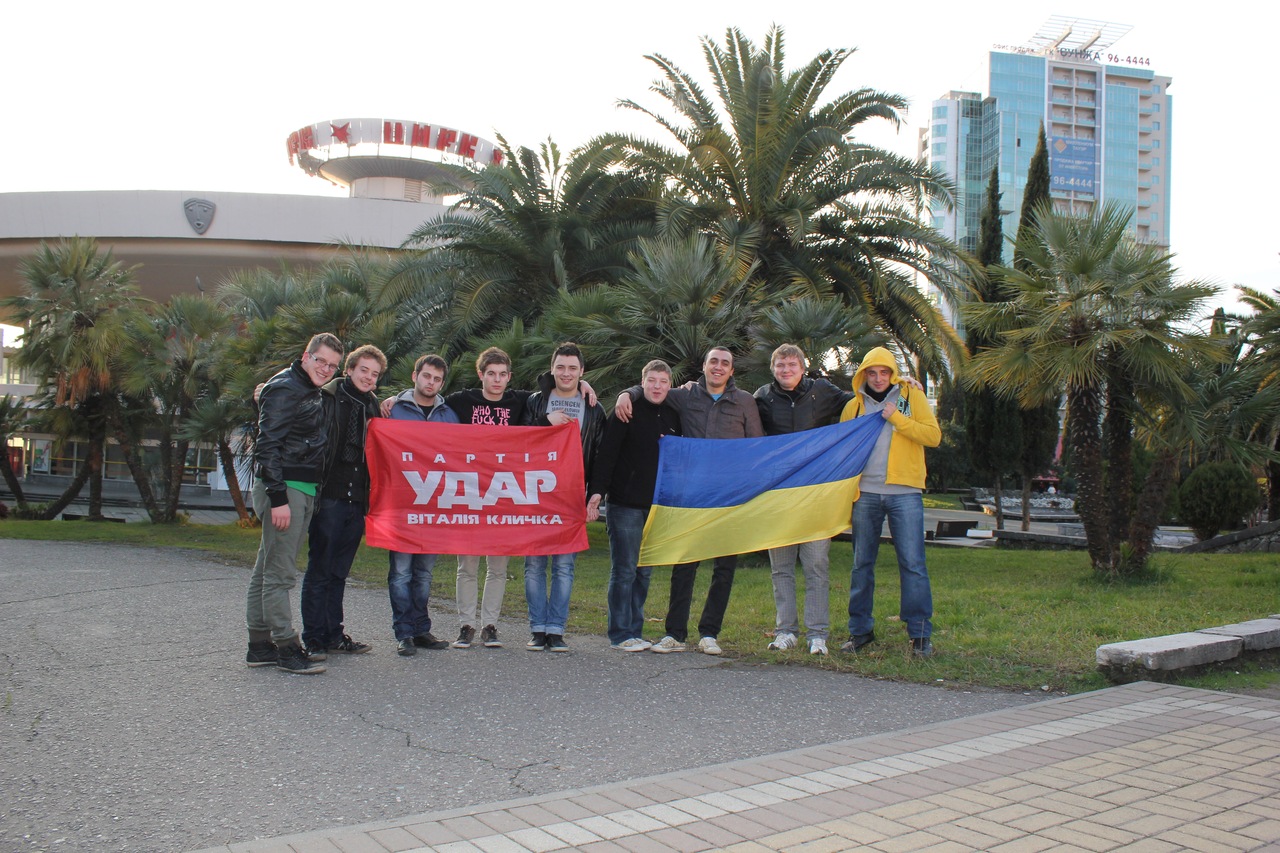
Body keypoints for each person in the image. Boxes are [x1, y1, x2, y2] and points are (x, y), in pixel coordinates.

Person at [615, 346, 764, 655]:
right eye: (714, 362)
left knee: (724, 567)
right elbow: (651, 389)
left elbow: (757, 448)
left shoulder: (745, 402)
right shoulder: (685, 396)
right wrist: (625, 394)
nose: (719, 367)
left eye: (725, 363)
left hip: (730, 498)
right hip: (693, 495)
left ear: (731, 371)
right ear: (705, 366)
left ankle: (710, 632)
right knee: (685, 563)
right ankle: (675, 633)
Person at [245, 333, 343, 675]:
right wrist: (278, 498)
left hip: (299, 486)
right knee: (280, 573)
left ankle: (259, 645)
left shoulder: (308, 388)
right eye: (321, 361)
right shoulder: (286, 387)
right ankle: (286, 647)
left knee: (266, 567)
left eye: (332, 366)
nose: (326, 369)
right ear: (306, 356)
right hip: (285, 488)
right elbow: (266, 446)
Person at [753, 344, 857, 657]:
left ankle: (817, 635)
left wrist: (903, 389)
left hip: (816, 496)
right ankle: (785, 631)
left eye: (791, 365)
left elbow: (860, 404)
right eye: (780, 366)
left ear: (803, 366)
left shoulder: (823, 391)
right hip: (779, 496)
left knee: (816, 566)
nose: (786, 370)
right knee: (781, 568)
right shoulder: (762, 397)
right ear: (773, 369)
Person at [838, 346, 941, 658]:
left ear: (892, 374)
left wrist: (896, 417)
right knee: (861, 565)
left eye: (884, 372)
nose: (879, 378)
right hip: (865, 494)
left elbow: (933, 436)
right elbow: (842, 447)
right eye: (872, 372)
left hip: (905, 493)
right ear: (864, 375)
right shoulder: (853, 407)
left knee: (913, 564)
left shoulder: (912, 397)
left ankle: (920, 635)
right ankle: (860, 632)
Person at [588, 360, 683, 651]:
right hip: (625, 504)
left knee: (644, 571)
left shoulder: (673, 416)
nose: (657, 387)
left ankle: (635, 631)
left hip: (657, 506)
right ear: (642, 383)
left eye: (663, 382)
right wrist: (596, 494)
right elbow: (607, 454)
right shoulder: (625, 410)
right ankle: (620, 633)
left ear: (670, 385)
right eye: (652, 380)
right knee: (625, 570)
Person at [300, 344, 386, 661]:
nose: (369, 377)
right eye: (364, 370)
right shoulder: (325, 397)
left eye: (375, 374)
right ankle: (313, 638)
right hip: (329, 497)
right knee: (319, 569)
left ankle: (334, 633)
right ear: (349, 369)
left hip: (357, 500)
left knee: (339, 572)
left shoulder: (374, 407)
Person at [520, 343, 605, 652]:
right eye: (561, 367)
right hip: (535, 494)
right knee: (534, 565)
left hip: (572, 495)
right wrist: (546, 421)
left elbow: (599, 454)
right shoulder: (535, 401)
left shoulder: (594, 407)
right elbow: (519, 439)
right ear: (552, 368)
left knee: (564, 566)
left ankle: (556, 629)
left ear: (582, 372)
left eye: (573, 368)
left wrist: (595, 494)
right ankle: (537, 628)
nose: (566, 373)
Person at [385, 354, 459, 657]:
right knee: (401, 572)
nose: (431, 383)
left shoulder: (448, 414)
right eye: (426, 376)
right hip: (400, 505)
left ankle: (421, 628)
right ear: (415, 375)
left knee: (424, 573)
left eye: (437, 379)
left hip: (435, 507)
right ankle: (403, 632)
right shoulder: (392, 410)